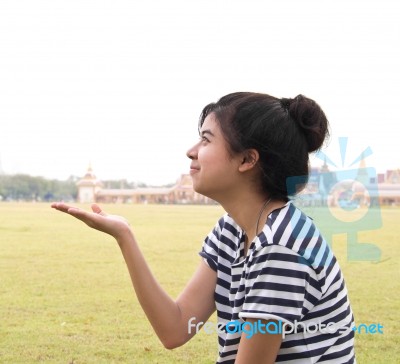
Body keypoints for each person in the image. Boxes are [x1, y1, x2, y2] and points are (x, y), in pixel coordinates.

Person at [52, 92, 356, 363]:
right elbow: (175, 328)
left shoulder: (281, 247)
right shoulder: (231, 230)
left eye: (207, 139)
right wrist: (125, 237)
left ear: (248, 159)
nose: (191, 150)